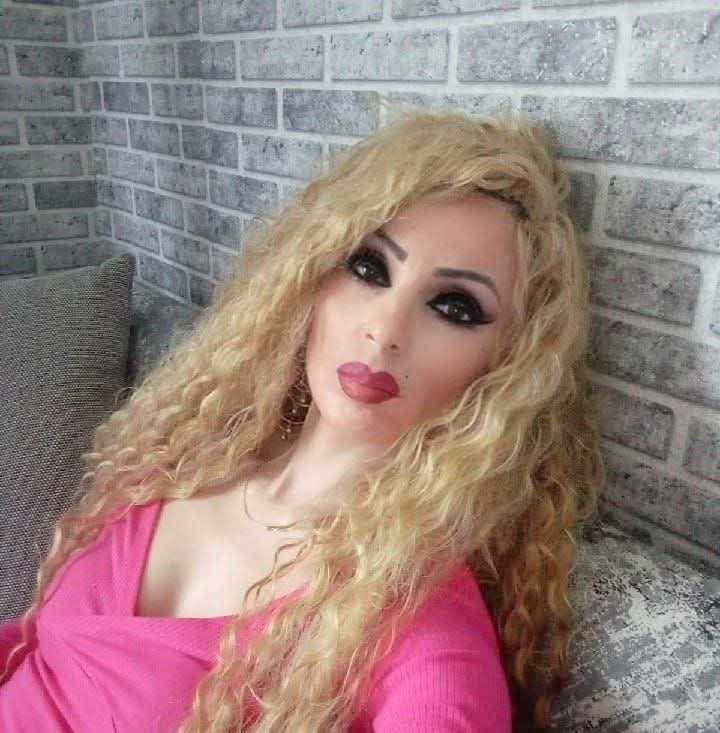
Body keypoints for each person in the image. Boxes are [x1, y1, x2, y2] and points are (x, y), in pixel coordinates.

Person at [0, 109, 605, 732]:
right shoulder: (182, 461)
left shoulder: (416, 625)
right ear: (308, 279)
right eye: (369, 268)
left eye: (453, 307)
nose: (385, 330)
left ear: (504, 366)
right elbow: (37, 651)